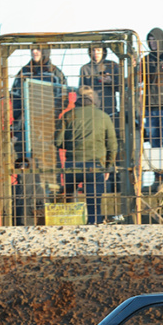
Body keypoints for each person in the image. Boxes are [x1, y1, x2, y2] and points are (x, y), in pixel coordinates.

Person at [54, 86, 117, 225]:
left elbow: (57, 141)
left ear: (77, 96)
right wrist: (108, 167)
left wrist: (71, 145)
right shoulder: (104, 116)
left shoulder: (68, 115)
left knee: (69, 196)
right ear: (94, 98)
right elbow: (112, 145)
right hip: (95, 165)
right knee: (94, 201)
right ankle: (94, 226)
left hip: (72, 164)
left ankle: (68, 226)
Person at [11, 45, 68, 161]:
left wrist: (52, 116)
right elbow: (15, 95)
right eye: (32, 49)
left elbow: (62, 97)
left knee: (48, 157)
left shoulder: (55, 73)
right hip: (26, 123)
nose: (35, 52)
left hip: (47, 124)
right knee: (25, 157)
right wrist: (20, 115)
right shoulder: (23, 72)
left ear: (45, 52)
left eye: (38, 49)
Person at [78, 45, 119, 119]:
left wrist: (110, 81)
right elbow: (81, 91)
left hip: (110, 111)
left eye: (98, 50)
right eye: (93, 50)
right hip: (92, 111)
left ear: (104, 52)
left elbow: (121, 87)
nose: (96, 53)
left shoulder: (113, 65)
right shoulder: (85, 68)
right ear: (90, 52)